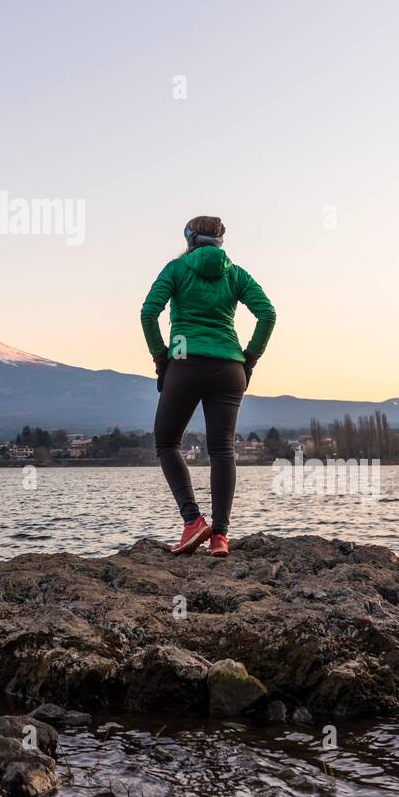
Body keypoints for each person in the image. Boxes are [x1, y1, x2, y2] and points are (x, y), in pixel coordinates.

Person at [140, 215, 276, 557]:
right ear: (220, 241)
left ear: (189, 239)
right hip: (229, 368)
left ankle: (192, 521)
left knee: (166, 442)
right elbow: (268, 314)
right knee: (222, 450)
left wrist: (162, 359)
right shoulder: (235, 273)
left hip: (185, 364)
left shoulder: (175, 269)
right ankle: (220, 537)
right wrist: (249, 359)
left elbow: (147, 314)